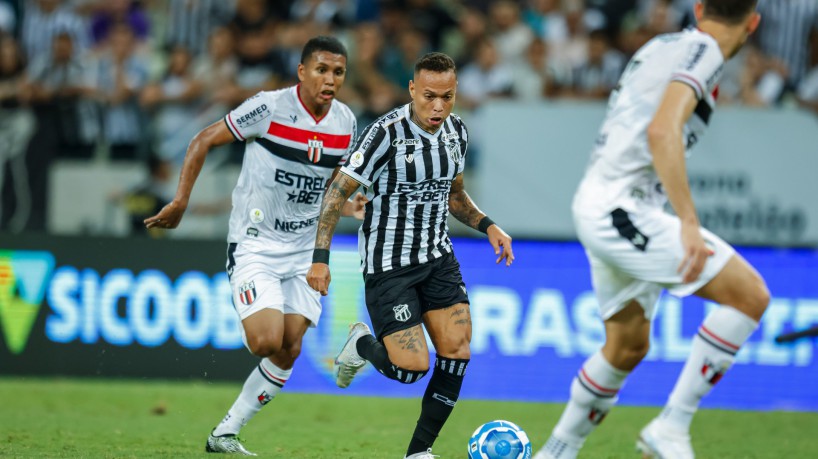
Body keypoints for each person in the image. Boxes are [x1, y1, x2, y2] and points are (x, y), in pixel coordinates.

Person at [534, 2, 769, 459]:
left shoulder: (665, 44)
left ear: (699, 8)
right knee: (750, 296)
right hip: (623, 210)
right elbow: (663, 131)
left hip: (604, 201)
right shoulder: (704, 51)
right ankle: (672, 426)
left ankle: (556, 452)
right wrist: (688, 222)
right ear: (753, 22)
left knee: (627, 345)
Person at [144, 36, 366, 456]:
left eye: (338, 72)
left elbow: (335, 188)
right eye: (321, 69)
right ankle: (258, 311)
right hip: (256, 243)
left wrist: (349, 206)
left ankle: (224, 434)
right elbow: (203, 140)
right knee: (267, 342)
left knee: (291, 348)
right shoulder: (268, 107)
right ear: (302, 71)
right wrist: (180, 201)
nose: (330, 79)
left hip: (304, 247)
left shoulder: (346, 122)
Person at [306, 52, 515, 459]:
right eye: (430, 96)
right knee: (410, 369)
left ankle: (418, 453)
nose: (438, 106)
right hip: (389, 267)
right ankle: (361, 343)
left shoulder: (457, 133)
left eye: (448, 97)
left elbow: (453, 195)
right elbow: (337, 193)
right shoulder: (385, 134)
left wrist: (488, 224)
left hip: (438, 258)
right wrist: (320, 258)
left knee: (457, 350)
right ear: (412, 90)